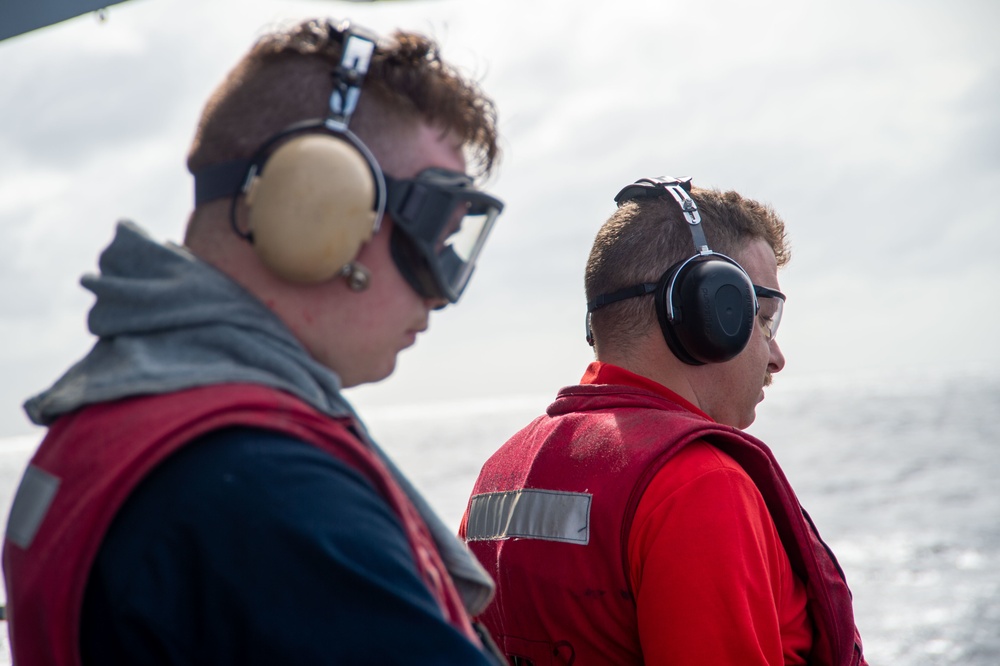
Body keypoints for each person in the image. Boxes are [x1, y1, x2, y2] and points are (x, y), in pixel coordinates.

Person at [4, 17, 507, 665]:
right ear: (315, 202)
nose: (439, 293)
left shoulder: (106, 421)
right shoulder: (263, 487)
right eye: (433, 232)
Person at [461, 177, 868, 665]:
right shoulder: (699, 486)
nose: (776, 356)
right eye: (762, 319)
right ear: (709, 313)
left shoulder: (497, 476)